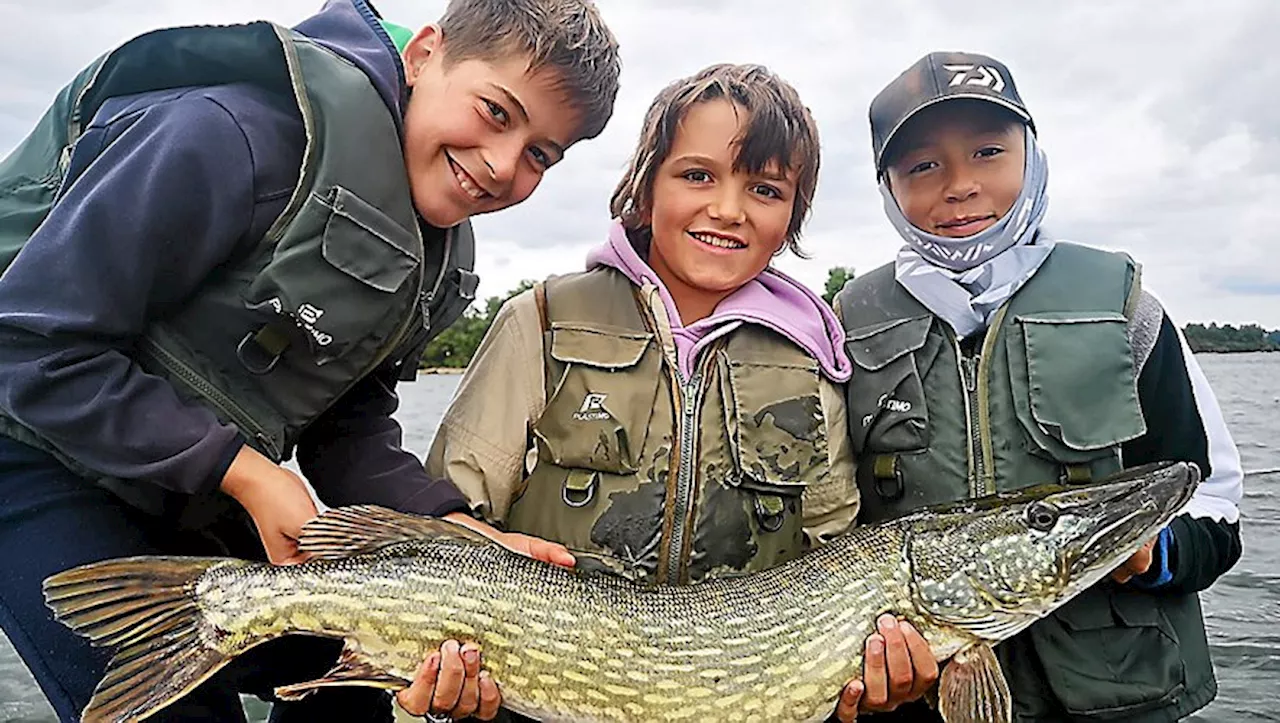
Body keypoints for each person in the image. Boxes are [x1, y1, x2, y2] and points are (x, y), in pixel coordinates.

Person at [0, 1, 620, 721]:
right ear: (424, 55)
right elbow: (22, 340)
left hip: (181, 483)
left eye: (542, 154)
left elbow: (348, 428)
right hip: (33, 452)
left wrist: (461, 533)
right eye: (496, 112)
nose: (503, 164)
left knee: (365, 671)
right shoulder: (225, 135)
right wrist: (246, 471)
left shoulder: (434, 249)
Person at [426, 63, 939, 722]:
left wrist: (876, 666)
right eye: (697, 176)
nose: (727, 209)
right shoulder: (542, 320)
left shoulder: (812, 360)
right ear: (644, 191)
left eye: (765, 188)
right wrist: (445, 682)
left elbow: (832, 553)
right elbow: (448, 523)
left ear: (793, 215)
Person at [835, 51, 1245, 722]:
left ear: (1031, 153)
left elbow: (1217, 500)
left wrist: (1153, 550)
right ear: (887, 186)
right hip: (924, 690)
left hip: (1117, 699)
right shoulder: (849, 324)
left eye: (989, 151)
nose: (961, 184)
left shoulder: (1125, 306)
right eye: (923, 166)